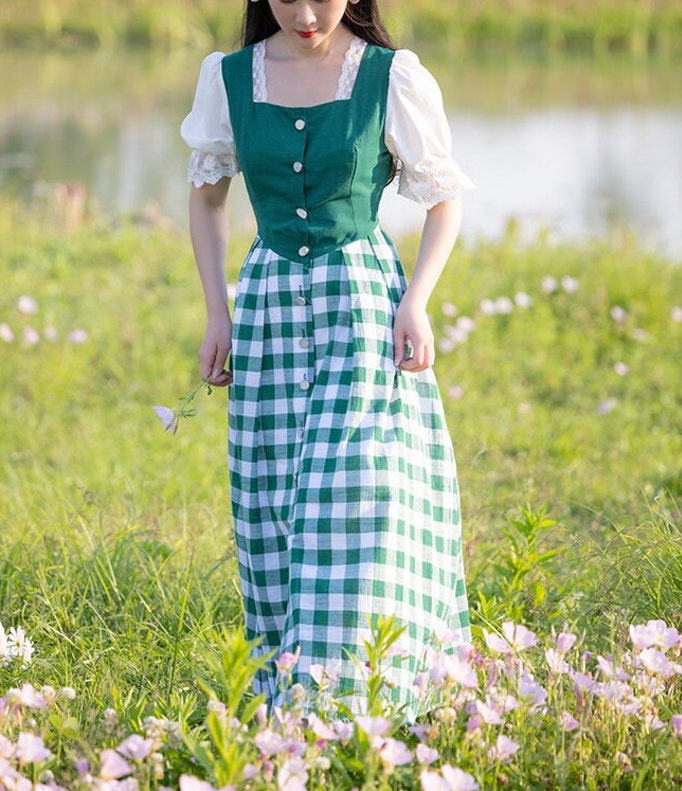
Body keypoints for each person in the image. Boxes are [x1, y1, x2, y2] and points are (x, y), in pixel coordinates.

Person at [180, 0, 473, 720]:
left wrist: (418, 300)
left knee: (351, 501)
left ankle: (356, 710)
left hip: (363, 305)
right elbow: (208, 197)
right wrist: (218, 310)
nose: (305, 13)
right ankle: (288, 714)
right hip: (269, 309)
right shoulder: (228, 78)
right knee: (275, 512)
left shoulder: (388, 75)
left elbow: (444, 199)